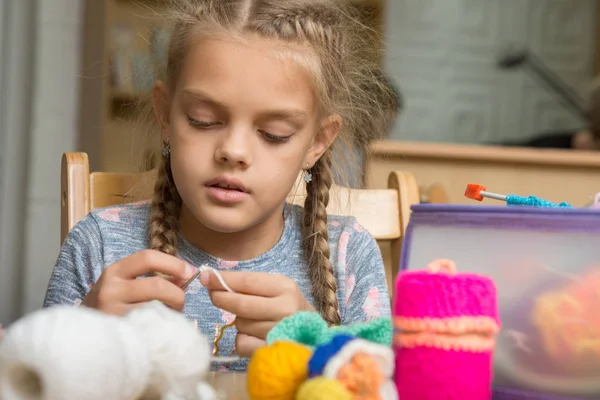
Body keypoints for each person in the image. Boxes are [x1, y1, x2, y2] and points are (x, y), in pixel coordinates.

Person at [43, 0, 395, 370]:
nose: (233, 151)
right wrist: (81, 336)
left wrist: (319, 350)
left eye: (274, 134)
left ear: (316, 142)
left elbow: (379, 387)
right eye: (204, 121)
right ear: (165, 114)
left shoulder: (347, 255)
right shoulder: (98, 245)